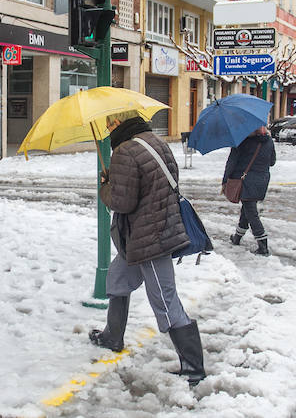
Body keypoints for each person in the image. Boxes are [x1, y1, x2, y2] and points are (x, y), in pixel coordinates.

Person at [89, 110, 206, 386]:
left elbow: (123, 202)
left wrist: (105, 187)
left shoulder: (125, 151)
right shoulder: (155, 141)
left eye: (109, 123)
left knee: (165, 301)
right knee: (118, 279)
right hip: (153, 229)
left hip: (149, 238)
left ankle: (193, 366)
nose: (108, 128)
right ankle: (112, 336)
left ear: (118, 122)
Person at [223, 126, 276, 256]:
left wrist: (225, 181)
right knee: (247, 208)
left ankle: (263, 244)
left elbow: (231, 162)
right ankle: (237, 237)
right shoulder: (269, 140)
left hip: (245, 180)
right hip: (262, 179)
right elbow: (272, 162)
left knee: (251, 212)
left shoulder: (241, 141)